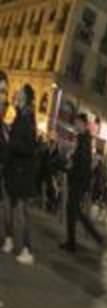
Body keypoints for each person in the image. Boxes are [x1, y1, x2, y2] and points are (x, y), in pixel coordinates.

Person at [3, 85, 40, 265]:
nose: (17, 95)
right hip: (14, 170)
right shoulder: (20, 116)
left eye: (21, 94)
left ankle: (27, 249)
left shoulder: (28, 119)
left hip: (22, 173)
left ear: (27, 98)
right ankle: (9, 239)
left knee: (22, 212)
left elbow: (30, 148)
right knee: (9, 207)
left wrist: (12, 142)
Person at [61, 113, 105, 253]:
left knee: (73, 210)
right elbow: (81, 160)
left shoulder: (84, 139)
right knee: (75, 211)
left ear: (83, 123)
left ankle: (73, 243)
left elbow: (84, 163)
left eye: (76, 123)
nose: (75, 125)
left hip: (79, 181)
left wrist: (71, 165)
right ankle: (78, 241)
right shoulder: (83, 139)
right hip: (79, 180)